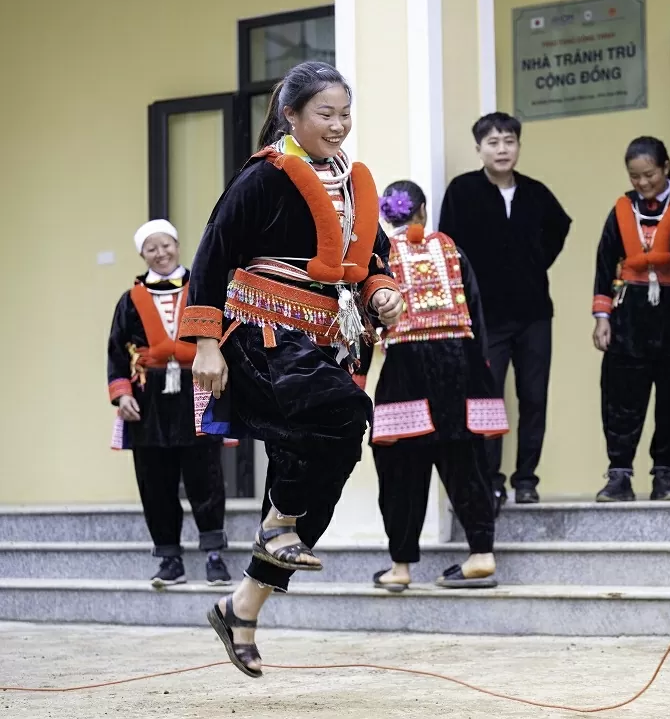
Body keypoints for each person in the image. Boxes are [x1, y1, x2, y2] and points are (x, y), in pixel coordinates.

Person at [179, 62, 403, 678]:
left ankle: (242, 605)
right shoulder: (263, 177)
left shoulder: (352, 184)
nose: (338, 125)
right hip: (263, 334)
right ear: (292, 116)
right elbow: (212, 254)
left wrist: (381, 290)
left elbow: (373, 254)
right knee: (344, 412)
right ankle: (277, 523)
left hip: (327, 339)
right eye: (325, 114)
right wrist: (204, 344)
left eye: (344, 114)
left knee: (326, 474)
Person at [370, 180, 503, 591]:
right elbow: (477, 315)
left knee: (400, 468)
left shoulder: (380, 257)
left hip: (406, 368)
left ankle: (401, 567)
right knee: (465, 461)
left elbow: (367, 317)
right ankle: (481, 554)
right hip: (459, 366)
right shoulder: (452, 249)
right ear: (422, 211)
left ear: (386, 216)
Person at [439, 111, 572, 509]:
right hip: (485, 317)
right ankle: (491, 480)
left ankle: (526, 479)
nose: (502, 149)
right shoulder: (462, 191)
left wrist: (532, 265)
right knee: (487, 399)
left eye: (509, 141)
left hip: (533, 313)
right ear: (479, 148)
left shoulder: (535, 192)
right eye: (493, 142)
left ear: (518, 146)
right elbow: (449, 249)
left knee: (534, 397)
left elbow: (559, 229)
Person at [107, 220, 231, 588]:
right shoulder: (129, 301)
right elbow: (116, 350)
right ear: (142, 254)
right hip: (148, 398)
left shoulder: (204, 288)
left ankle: (213, 555)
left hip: (198, 387)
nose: (160, 254)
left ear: (177, 245)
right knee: (154, 478)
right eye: (151, 249)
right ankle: (169, 559)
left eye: (166, 246)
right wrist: (122, 393)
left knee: (205, 474)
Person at [591, 137, 670, 502]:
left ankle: (665, 476)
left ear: (665, 167)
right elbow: (606, 263)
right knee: (621, 398)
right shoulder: (622, 209)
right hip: (630, 317)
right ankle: (619, 475)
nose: (642, 183)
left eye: (649, 174)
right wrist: (602, 317)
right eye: (635, 176)